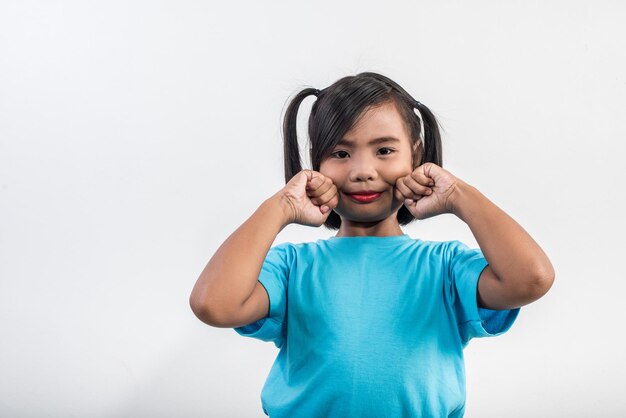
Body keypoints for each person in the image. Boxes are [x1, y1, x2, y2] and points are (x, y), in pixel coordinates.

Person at [189, 72, 555, 417]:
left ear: (416, 154)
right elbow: (213, 305)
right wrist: (281, 206)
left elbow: (532, 279)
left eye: (384, 151)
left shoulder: (445, 266)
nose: (362, 171)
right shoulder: (291, 267)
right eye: (340, 153)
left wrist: (460, 194)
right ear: (315, 164)